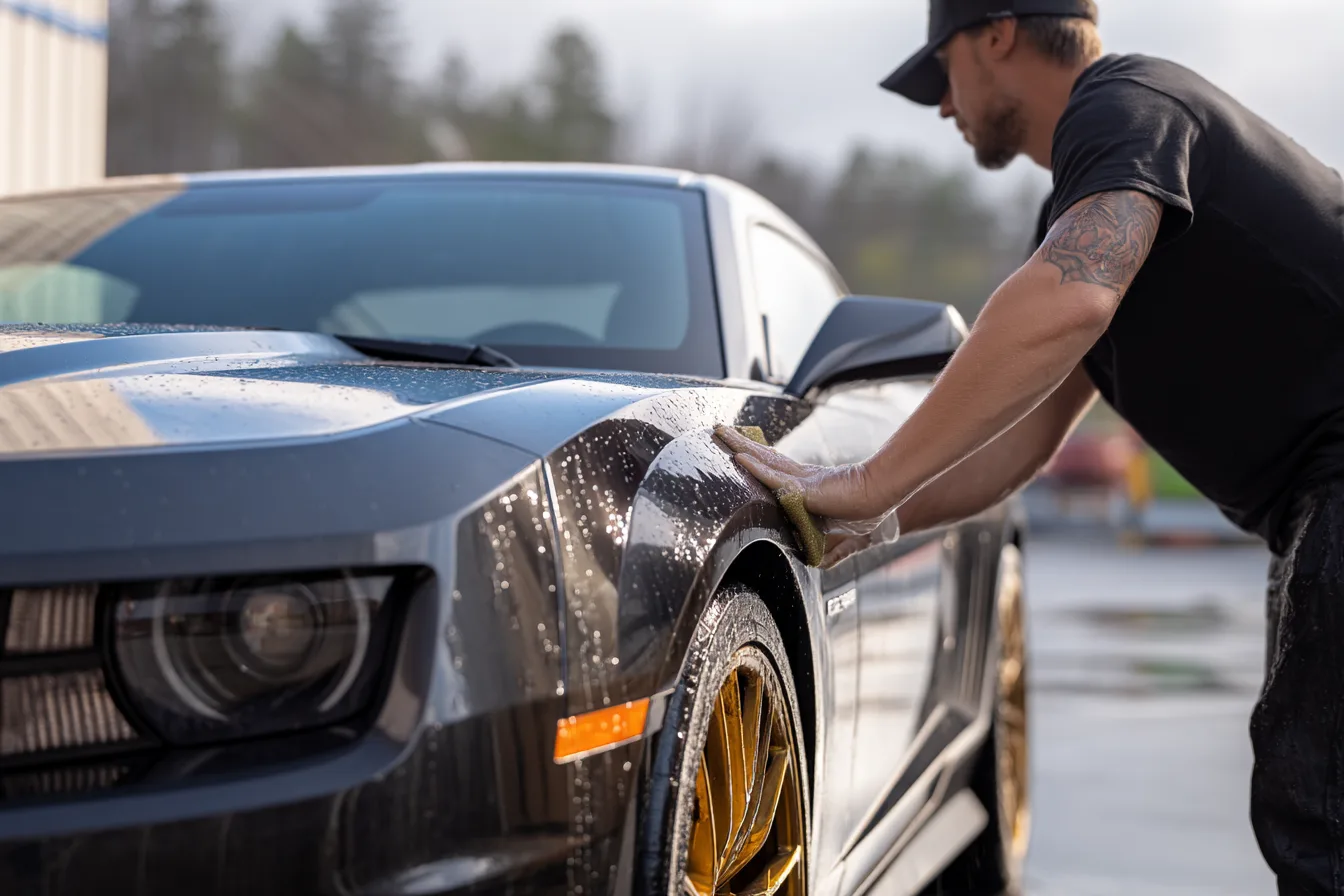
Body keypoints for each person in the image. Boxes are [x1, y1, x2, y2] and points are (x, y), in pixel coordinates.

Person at [714, 1, 1344, 892]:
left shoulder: (1126, 105)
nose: (944, 106)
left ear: (997, 34)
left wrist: (869, 476)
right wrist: (874, 515)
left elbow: (1069, 297)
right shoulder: (1097, 187)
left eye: (943, 72)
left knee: (1322, 822)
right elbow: (1019, 440)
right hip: (1315, 503)